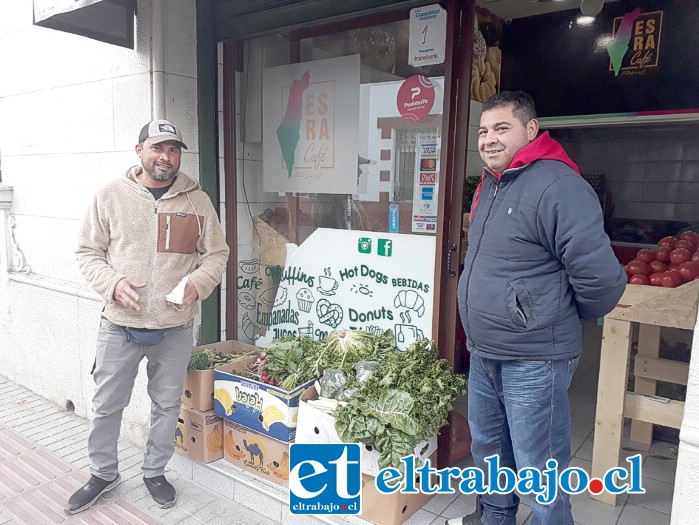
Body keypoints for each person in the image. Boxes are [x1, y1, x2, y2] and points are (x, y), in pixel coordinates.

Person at [451, 92, 626, 525]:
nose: (489, 139)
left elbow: (601, 278)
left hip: (535, 357)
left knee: (539, 469)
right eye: (483, 130)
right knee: (490, 456)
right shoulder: (493, 183)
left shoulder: (558, 185)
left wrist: (554, 316)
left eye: (501, 128)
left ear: (531, 130)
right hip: (486, 350)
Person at [66, 119, 230, 514]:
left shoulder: (197, 201)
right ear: (139, 151)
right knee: (107, 404)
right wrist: (112, 283)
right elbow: (88, 252)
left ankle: (155, 471)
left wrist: (197, 283)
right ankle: (103, 473)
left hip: (174, 328)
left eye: (174, 150)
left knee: (167, 405)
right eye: (158, 148)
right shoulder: (110, 195)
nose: (166, 157)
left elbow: (216, 254)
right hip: (119, 325)